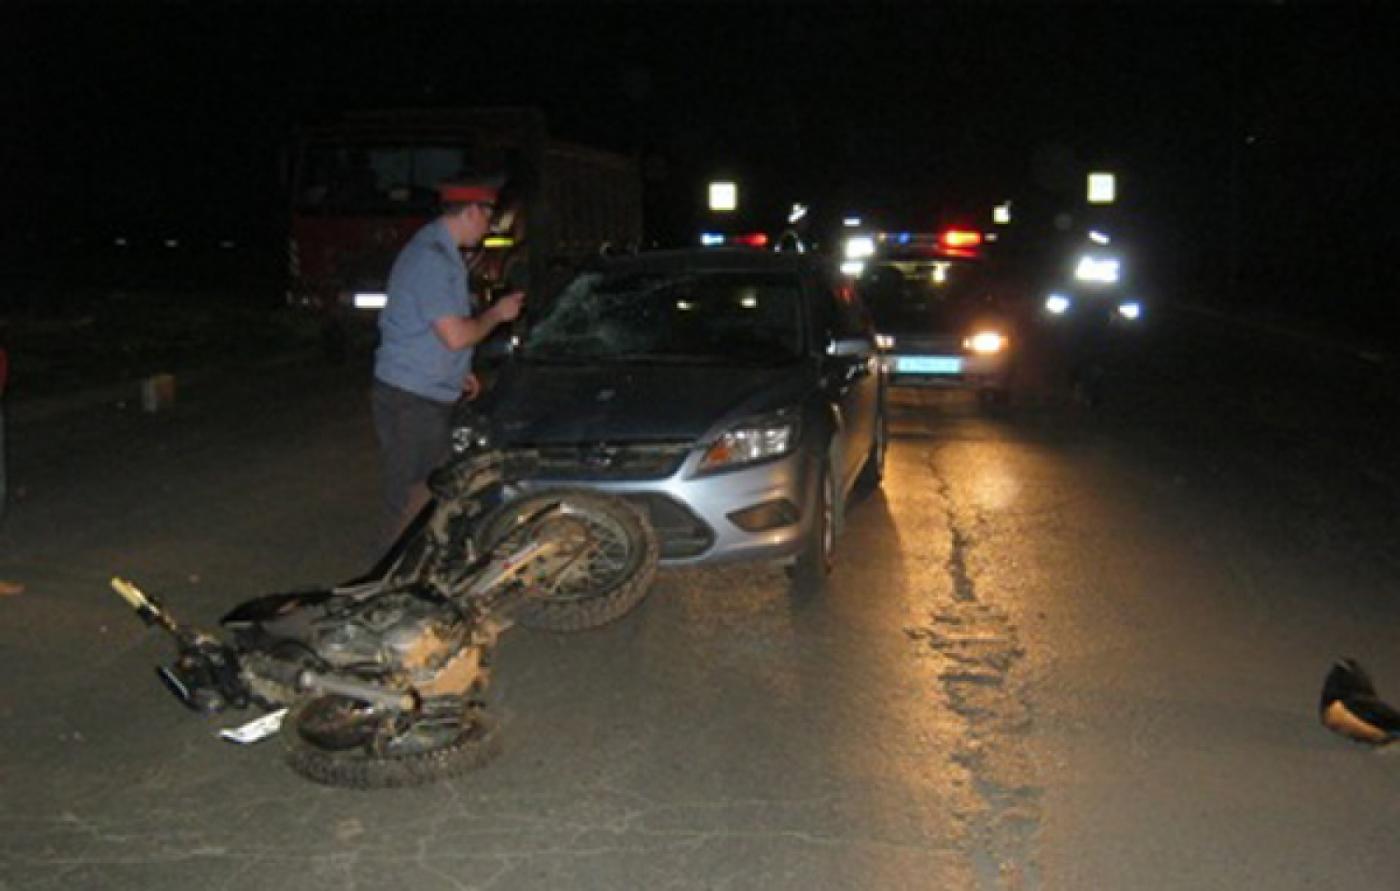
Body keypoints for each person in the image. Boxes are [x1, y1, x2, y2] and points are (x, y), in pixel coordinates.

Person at [371, 178, 524, 546]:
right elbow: (455, 335)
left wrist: (459, 370)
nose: (490, 227)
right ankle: (390, 570)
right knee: (409, 497)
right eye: (488, 216)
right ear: (471, 212)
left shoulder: (443, 253)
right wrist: (497, 314)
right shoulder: (433, 259)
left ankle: (417, 563)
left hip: (425, 392)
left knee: (430, 491)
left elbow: (435, 330)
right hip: (411, 398)